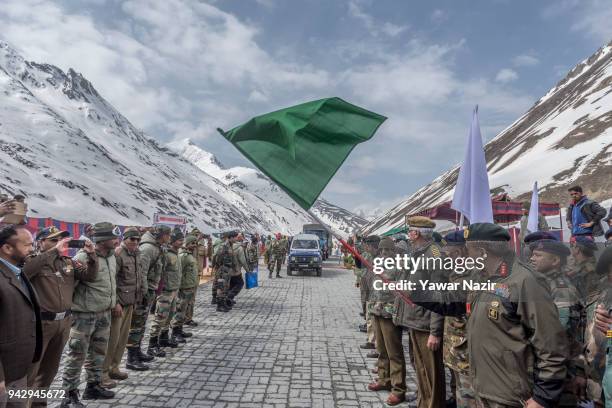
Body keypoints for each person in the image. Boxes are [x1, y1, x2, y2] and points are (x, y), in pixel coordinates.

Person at [410, 223, 569, 408]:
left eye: (468, 249)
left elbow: (551, 344)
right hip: (483, 387)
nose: (466, 255)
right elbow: (451, 301)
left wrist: (543, 397)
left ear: (482, 252)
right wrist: (417, 293)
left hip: (511, 395)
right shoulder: (481, 277)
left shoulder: (524, 282)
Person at [23, 227, 97, 407]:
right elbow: (25, 272)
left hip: (63, 323)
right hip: (41, 324)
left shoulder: (67, 262)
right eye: (53, 240)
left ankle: (39, 405)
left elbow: (90, 276)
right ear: (40, 242)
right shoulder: (32, 260)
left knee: (49, 371)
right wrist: (54, 250)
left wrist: (92, 256)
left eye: (61, 240)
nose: (59, 243)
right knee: (30, 373)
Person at [60, 222, 120, 405]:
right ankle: (69, 395)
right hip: (84, 316)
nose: (117, 240)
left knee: (98, 353)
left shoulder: (111, 256)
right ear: (102, 239)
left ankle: (93, 387)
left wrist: (114, 301)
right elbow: (71, 285)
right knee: (77, 355)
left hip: (104, 312)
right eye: (113, 236)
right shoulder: (83, 256)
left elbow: (111, 282)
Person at [525, 231, 585, 407]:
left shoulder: (561, 289)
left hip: (559, 375)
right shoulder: (540, 283)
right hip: (545, 370)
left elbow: (558, 334)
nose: (532, 259)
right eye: (532, 255)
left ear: (555, 261)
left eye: (538, 255)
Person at [393, 216, 445, 408]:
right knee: (421, 368)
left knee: (431, 373)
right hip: (416, 319)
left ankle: (433, 404)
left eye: (410, 231)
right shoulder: (419, 253)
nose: (408, 235)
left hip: (426, 322)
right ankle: (424, 402)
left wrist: (435, 331)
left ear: (416, 233)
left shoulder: (434, 255)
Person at [0, 225, 41, 408]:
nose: (32, 249)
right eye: (27, 245)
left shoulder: (17, 271)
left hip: (19, 368)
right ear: (7, 248)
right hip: (4, 375)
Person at [102, 227, 147, 384]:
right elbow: (111, 280)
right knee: (112, 340)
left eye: (137, 239)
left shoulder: (136, 254)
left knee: (122, 339)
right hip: (119, 304)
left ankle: (114, 368)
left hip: (130, 302)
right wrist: (115, 303)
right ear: (124, 239)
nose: (135, 242)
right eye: (131, 239)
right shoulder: (118, 254)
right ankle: (103, 372)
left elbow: (139, 277)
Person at [438, 231, 477, 408]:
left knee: (469, 394)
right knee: (459, 388)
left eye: (449, 253)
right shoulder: (456, 270)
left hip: (467, 346)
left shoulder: (473, 274)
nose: (446, 256)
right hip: (456, 342)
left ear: (459, 252)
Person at [366, 238, 407, 406]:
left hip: (390, 313)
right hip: (376, 310)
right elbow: (371, 285)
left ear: (393, 251)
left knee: (394, 353)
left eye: (387, 250)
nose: (384, 253)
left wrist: (390, 282)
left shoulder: (400, 266)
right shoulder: (377, 263)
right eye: (382, 250)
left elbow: (404, 288)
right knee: (381, 349)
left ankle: (398, 389)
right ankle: (384, 379)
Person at [127, 225, 171, 360]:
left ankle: (137, 351)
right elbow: (142, 274)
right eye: (167, 234)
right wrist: (144, 293)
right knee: (136, 324)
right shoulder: (148, 248)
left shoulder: (155, 247)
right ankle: (132, 357)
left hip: (150, 290)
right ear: (161, 235)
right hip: (144, 292)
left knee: (141, 324)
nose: (169, 237)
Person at [150, 229, 184, 348]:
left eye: (182, 240)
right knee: (160, 317)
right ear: (173, 241)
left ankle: (164, 338)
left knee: (169, 316)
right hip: (165, 291)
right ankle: (152, 345)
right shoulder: (166, 254)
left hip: (174, 290)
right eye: (179, 240)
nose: (182, 242)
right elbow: (159, 271)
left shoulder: (176, 254)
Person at [170, 235, 198, 342]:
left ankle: (180, 330)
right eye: (192, 243)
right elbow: (179, 272)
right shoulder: (183, 256)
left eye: (195, 243)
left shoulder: (190, 255)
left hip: (190, 286)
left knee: (184, 309)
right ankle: (175, 333)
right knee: (180, 309)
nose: (194, 245)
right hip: (183, 287)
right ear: (187, 244)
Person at [212, 231, 238, 312]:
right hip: (223, 269)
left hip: (228, 270)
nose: (236, 239)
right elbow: (218, 257)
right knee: (221, 287)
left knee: (225, 287)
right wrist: (221, 267)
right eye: (235, 237)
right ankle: (219, 305)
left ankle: (223, 303)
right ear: (230, 238)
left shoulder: (230, 246)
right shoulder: (224, 246)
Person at [568, 236, 599, 300]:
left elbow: (591, 296)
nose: (570, 248)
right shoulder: (579, 267)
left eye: (572, 245)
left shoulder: (590, 270)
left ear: (577, 249)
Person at [227, 233, 249, 306]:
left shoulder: (229, 246)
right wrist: (247, 270)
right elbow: (243, 260)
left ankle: (230, 299)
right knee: (240, 283)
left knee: (231, 284)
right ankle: (229, 296)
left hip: (228, 269)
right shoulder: (239, 248)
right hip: (236, 269)